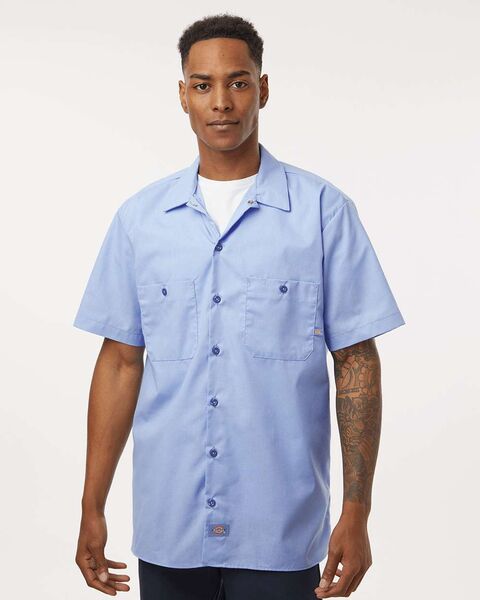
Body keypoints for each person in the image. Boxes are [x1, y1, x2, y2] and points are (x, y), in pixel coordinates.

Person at [73, 13, 406, 600]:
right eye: (203, 85)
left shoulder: (323, 212)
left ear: (263, 89)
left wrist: (357, 510)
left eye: (238, 82)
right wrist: (91, 506)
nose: (221, 102)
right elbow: (121, 363)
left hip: (281, 530)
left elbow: (356, 361)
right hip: (170, 526)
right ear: (183, 95)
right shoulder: (139, 221)